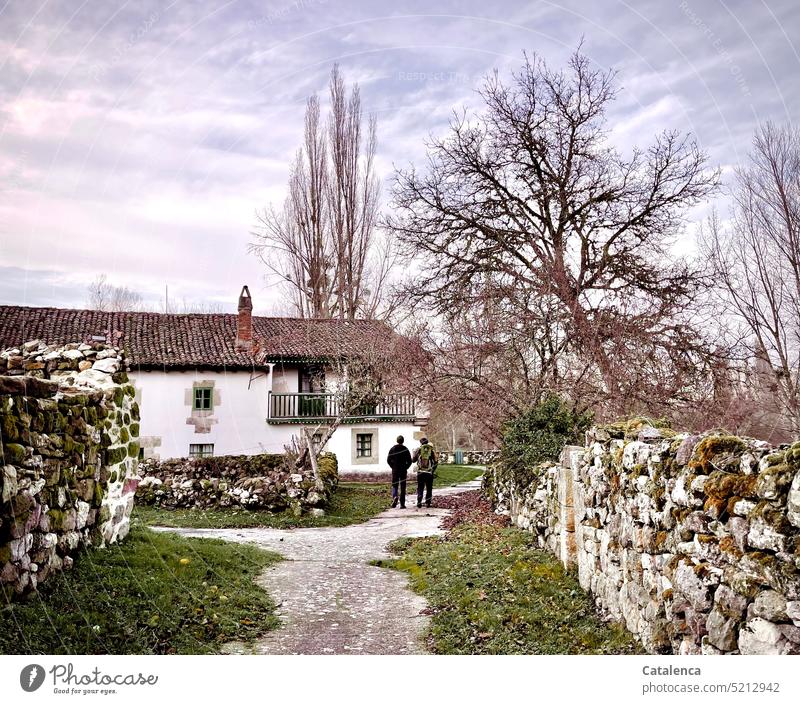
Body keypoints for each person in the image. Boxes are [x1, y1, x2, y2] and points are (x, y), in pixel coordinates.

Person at [387, 435, 412, 508]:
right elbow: (410, 461)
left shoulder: (393, 449)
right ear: (403, 441)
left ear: (397, 440)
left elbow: (388, 460)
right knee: (403, 486)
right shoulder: (405, 449)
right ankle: (402, 504)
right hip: (403, 470)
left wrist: (393, 466)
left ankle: (395, 496)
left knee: (395, 485)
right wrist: (406, 467)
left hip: (395, 470)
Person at [412, 437, 438, 508]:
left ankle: (419, 502)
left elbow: (413, 460)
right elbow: (436, 461)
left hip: (420, 472)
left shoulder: (419, 450)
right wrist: (433, 470)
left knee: (420, 487)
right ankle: (428, 502)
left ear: (421, 443)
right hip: (429, 473)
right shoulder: (431, 450)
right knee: (429, 488)